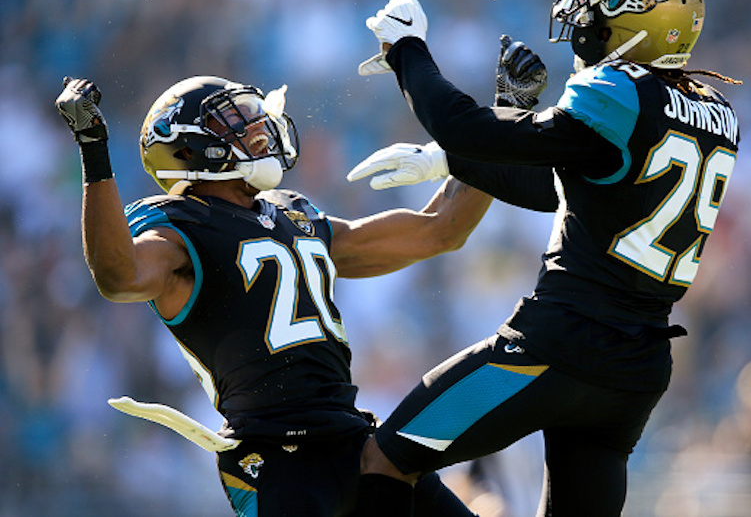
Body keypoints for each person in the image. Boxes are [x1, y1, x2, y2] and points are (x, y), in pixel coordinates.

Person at [347, 0, 742, 516]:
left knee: (383, 460)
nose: (583, 22)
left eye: (596, 10)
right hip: (635, 369)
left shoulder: (619, 89)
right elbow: (571, 187)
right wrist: (449, 162)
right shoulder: (714, 111)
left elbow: (465, 128)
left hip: (558, 345)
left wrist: (407, 50)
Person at [54, 74, 501, 517]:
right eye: (234, 120)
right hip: (273, 456)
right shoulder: (181, 227)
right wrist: (93, 148)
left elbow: (441, 229)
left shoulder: (292, 215)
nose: (257, 127)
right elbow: (119, 276)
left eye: (253, 114)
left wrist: (503, 120)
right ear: (187, 149)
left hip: (356, 441)